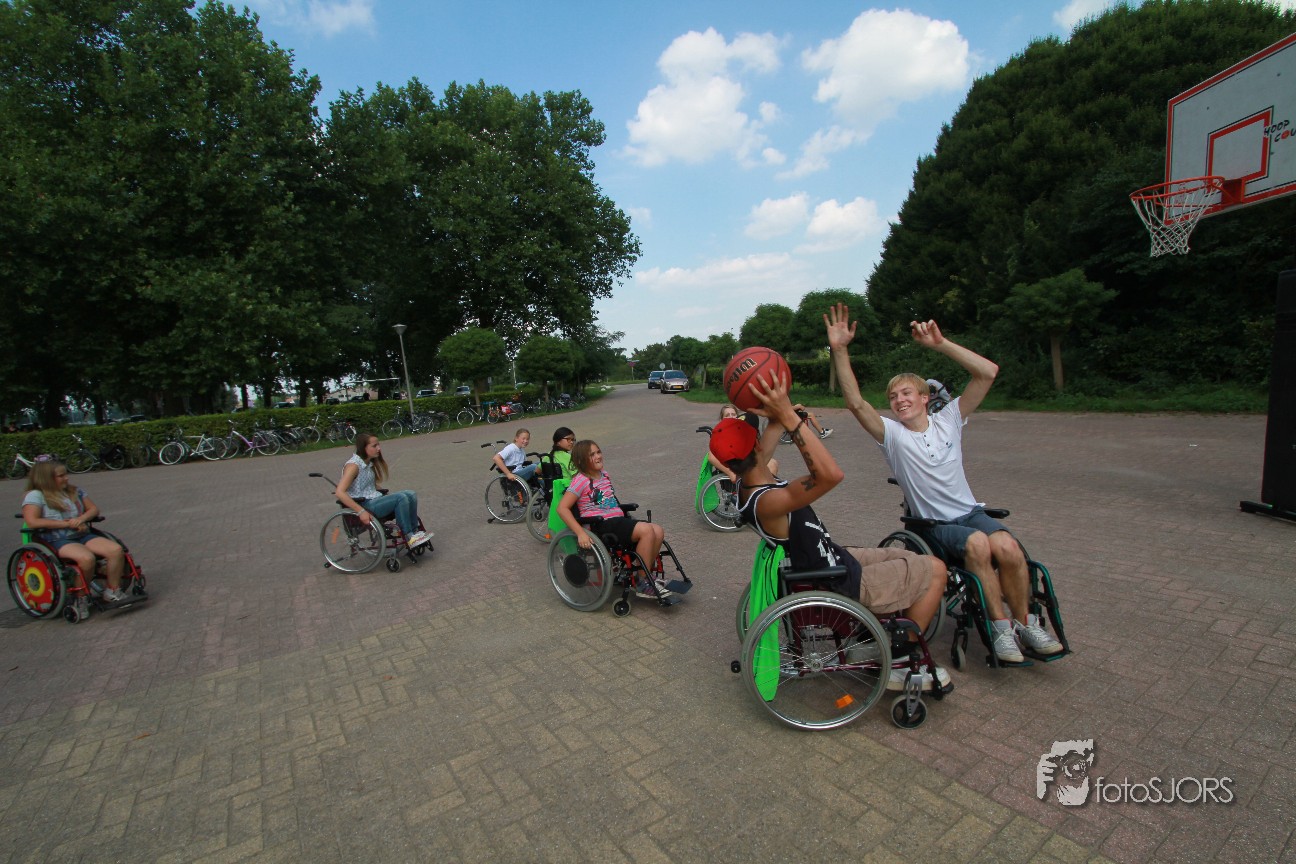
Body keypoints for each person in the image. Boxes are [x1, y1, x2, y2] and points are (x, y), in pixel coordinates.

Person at [825, 303, 1063, 663]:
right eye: (893, 396)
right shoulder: (892, 435)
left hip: (970, 513)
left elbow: (987, 372)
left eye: (906, 393)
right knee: (979, 544)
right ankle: (1000, 631)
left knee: (1009, 547)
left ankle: (1027, 624)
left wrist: (941, 344)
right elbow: (856, 404)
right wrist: (840, 350)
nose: (899, 400)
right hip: (933, 525)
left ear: (924, 398)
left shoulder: (949, 419)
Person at [710, 371, 948, 691]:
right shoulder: (769, 501)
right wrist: (792, 422)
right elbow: (830, 475)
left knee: (904, 555)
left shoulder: (748, 478)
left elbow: (761, 448)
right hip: (835, 579)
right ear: (753, 448)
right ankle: (899, 660)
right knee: (935, 569)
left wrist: (778, 414)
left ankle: (870, 638)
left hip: (832, 559)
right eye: (757, 438)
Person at [557, 439, 670, 600]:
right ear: (581, 461)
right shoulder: (580, 480)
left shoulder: (604, 475)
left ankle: (644, 574)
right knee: (646, 530)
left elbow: (608, 501)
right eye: (592, 455)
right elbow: (562, 508)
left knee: (657, 530)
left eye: (598, 452)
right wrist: (580, 533)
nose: (598, 456)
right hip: (600, 524)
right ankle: (641, 582)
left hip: (616, 521)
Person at [21, 460, 139, 606]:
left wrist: (81, 519)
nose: (66, 478)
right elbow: (32, 521)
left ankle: (112, 591)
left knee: (115, 550)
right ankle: (80, 598)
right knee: (86, 558)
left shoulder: (74, 491)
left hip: (82, 534)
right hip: (55, 540)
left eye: (66, 474)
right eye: (61, 476)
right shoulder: (35, 496)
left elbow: (93, 509)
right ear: (46, 478)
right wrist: (65, 524)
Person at [334, 433, 431, 549]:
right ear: (363, 448)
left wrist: (387, 497)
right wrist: (361, 512)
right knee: (401, 498)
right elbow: (339, 492)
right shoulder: (353, 466)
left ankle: (414, 532)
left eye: (378, 445)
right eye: (374, 446)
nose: (379, 448)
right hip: (365, 505)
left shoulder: (367, 463)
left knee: (411, 494)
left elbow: (368, 486)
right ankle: (408, 536)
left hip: (375, 500)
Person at [706, 404, 778, 483]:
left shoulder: (744, 428)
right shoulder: (721, 434)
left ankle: (768, 486)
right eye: (727, 415)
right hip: (736, 466)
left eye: (733, 414)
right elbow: (711, 456)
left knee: (773, 463)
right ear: (722, 419)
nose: (731, 417)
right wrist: (730, 472)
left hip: (749, 462)